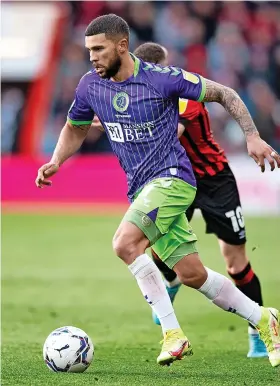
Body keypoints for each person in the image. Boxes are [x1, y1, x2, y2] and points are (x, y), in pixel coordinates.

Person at [35, 14, 280, 367]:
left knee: (124, 243)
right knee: (191, 274)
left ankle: (172, 334)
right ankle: (263, 318)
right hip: (142, 188)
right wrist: (57, 160)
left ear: (122, 46)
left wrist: (252, 135)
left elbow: (224, 93)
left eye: (99, 49)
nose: (92, 57)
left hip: (174, 179)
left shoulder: (162, 80)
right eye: (89, 50)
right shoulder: (90, 86)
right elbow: (75, 126)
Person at [133, 42, 268, 358]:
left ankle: (259, 330)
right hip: (174, 179)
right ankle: (171, 282)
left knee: (235, 263)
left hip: (213, 181)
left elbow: (165, 135)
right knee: (152, 241)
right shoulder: (141, 98)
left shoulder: (183, 97)